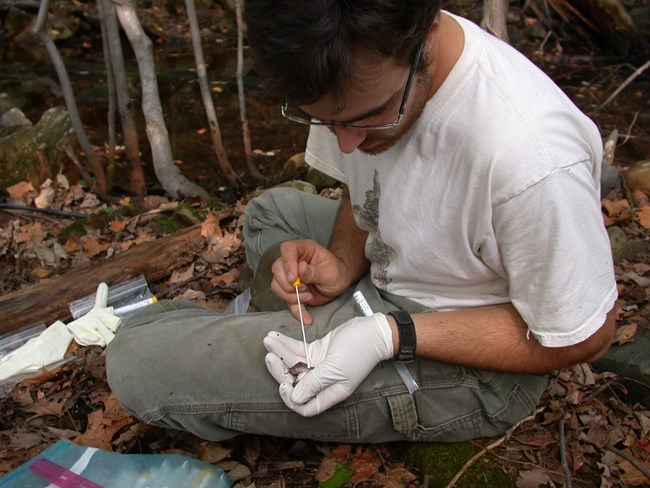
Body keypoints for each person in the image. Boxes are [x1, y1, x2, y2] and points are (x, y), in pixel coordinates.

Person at [106, 0, 618, 443]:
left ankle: (263, 339)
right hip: (402, 269)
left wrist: (387, 336)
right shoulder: (357, 62)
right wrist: (345, 260)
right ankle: (288, 330)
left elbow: (582, 336)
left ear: (427, 39)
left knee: (135, 358)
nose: (344, 141)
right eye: (326, 120)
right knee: (272, 211)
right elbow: (363, 181)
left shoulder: (532, 158)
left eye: (367, 117)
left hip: (478, 360)